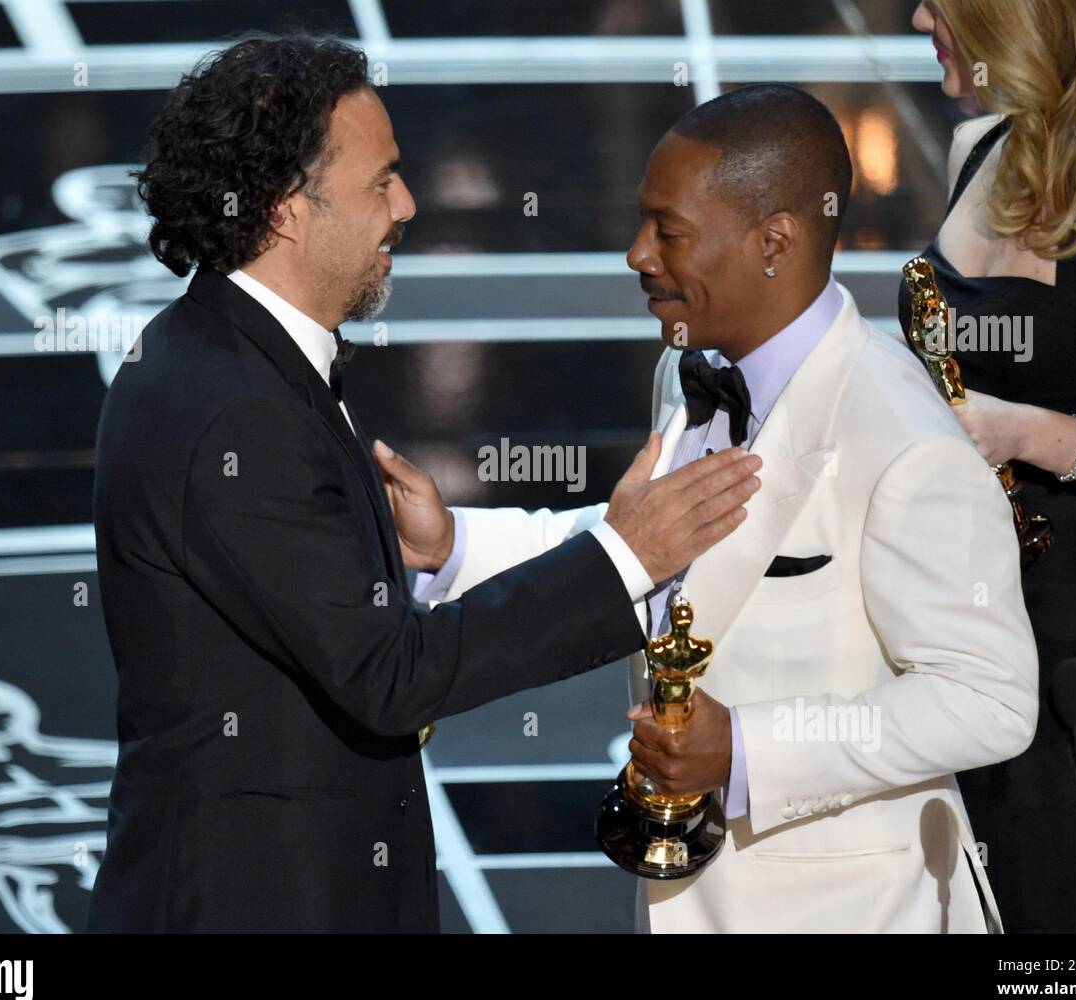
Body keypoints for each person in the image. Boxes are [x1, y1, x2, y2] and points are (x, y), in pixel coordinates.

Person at [86, 33, 760, 934]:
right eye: (381, 181)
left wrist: (425, 546)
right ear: (286, 208)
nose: (406, 204)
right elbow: (388, 675)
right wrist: (621, 558)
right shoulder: (235, 406)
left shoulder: (226, 359)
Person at [384, 83, 1040, 933]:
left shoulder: (903, 438)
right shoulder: (689, 373)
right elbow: (653, 541)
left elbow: (990, 697)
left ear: (775, 241)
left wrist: (749, 749)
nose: (635, 254)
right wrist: (459, 542)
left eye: (668, 230)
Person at [902, 0, 1076, 932]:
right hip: (947, 615)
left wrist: (1029, 432)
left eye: (941, 3)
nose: (915, 18)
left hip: (1071, 648)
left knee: (1061, 926)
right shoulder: (978, 148)